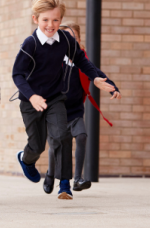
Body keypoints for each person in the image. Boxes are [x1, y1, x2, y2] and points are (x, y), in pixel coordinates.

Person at [12, 0, 116, 200]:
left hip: (55, 98)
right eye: (45, 20)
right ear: (36, 19)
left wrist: (96, 78)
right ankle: (26, 158)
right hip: (31, 101)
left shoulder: (66, 40)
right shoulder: (30, 44)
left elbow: (81, 60)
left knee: (62, 136)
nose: (51, 25)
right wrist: (32, 96)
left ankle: (65, 185)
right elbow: (17, 74)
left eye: (56, 20)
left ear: (60, 20)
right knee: (38, 145)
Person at [44, 22, 121, 194]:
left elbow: (98, 74)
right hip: (56, 111)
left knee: (81, 136)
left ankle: (77, 179)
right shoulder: (54, 58)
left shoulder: (82, 60)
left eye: (74, 38)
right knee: (56, 146)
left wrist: (113, 88)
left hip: (76, 110)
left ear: (79, 41)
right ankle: (50, 174)